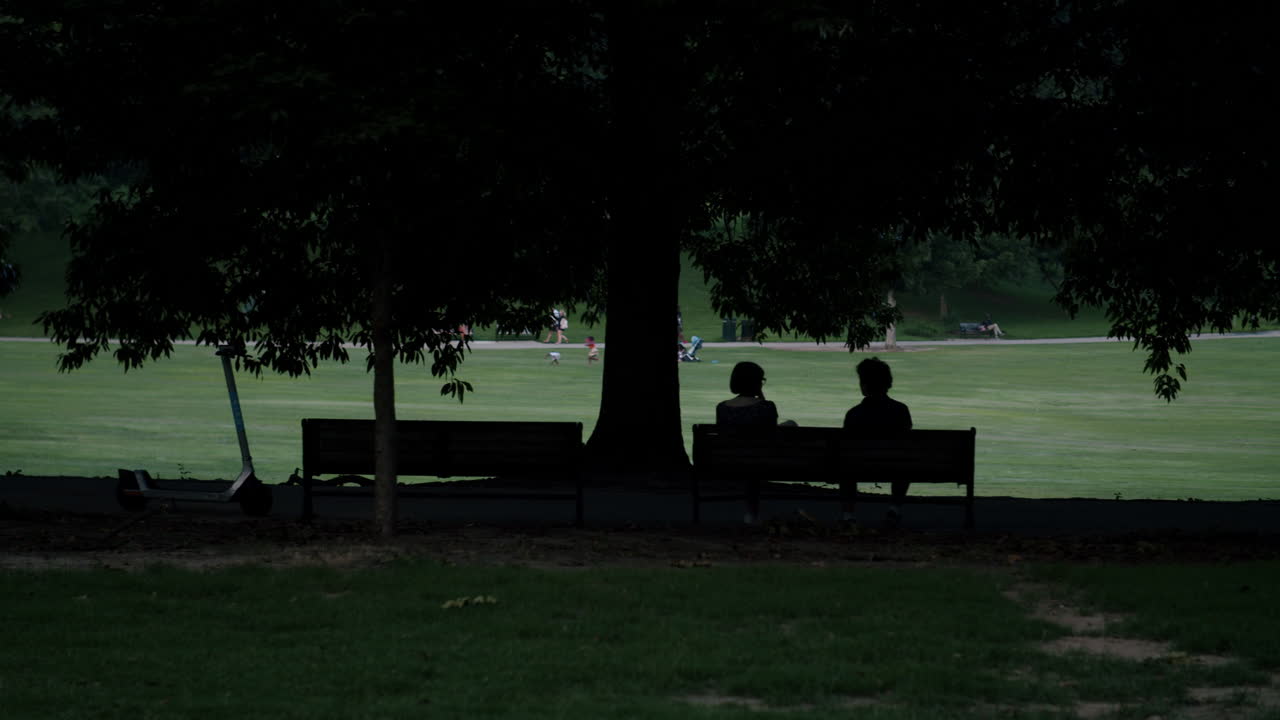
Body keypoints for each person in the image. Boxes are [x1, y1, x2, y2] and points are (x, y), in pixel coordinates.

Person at [843, 357, 913, 528]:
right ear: (888, 383)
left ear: (864, 385)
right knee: (905, 463)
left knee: (845, 465)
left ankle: (848, 515)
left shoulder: (853, 414)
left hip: (858, 466)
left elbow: (845, 449)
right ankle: (894, 509)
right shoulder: (901, 411)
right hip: (894, 466)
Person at [715, 361, 780, 426]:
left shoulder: (722, 407)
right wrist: (762, 398)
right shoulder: (767, 407)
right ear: (756, 382)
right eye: (761, 380)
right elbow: (772, 429)